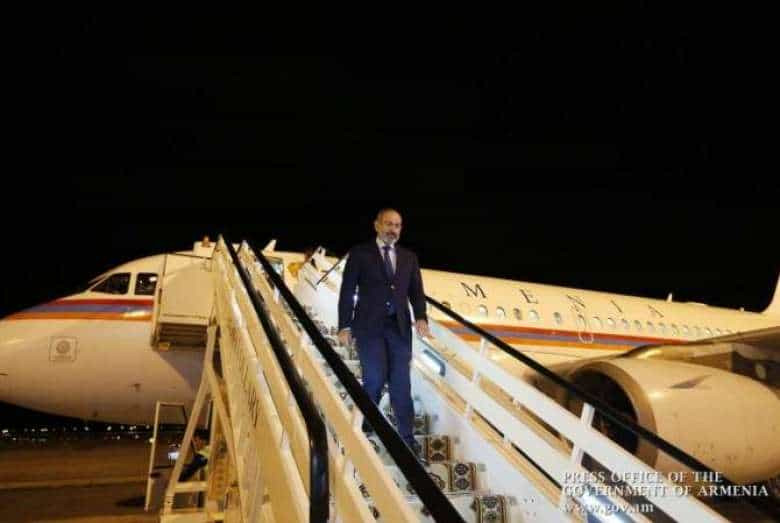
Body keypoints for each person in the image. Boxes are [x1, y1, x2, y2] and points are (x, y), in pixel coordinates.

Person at [337, 208, 431, 453]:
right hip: (369, 327)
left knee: (401, 384)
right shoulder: (360, 254)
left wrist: (421, 317)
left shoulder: (409, 257)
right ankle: (365, 422)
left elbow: (416, 292)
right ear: (377, 225)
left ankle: (407, 440)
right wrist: (344, 325)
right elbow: (347, 291)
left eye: (397, 225)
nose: (393, 229)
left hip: (399, 328)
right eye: (388, 224)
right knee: (375, 378)